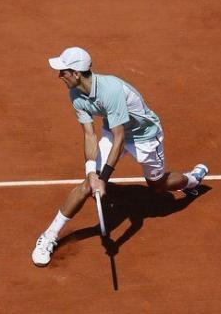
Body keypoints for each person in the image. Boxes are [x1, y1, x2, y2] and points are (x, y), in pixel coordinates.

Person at [31, 46, 208, 267]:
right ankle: (49, 236)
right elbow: (89, 134)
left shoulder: (110, 91)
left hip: (145, 136)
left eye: (63, 71)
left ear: (76, 73)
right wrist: (92, 174)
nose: (59, 76)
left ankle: (192, 179)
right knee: (87, 185)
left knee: (157, 186)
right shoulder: (75, 93)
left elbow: (119, 140)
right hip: (114, 130)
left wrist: (103, 177)